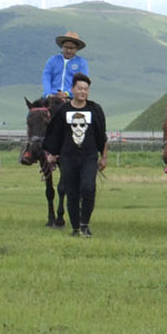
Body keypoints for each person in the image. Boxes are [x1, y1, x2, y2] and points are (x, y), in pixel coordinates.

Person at [42, 72, 108, 237]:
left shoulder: (95, 109)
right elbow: (55, 134)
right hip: (68, 157)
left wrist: (104, 157)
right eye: (79, 88)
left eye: (86, 89)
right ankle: (76, 228)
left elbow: (102, 135)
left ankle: (85, 224)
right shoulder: (64, 110)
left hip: (89, 156)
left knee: (88, 188)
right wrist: (52, 154)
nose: (83, 92)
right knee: (71, 192)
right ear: (72, 89)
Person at [41, 32, 89, 100]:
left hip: (72, 97)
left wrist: (67, 93)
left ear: (76, 49)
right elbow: (46, 77)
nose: (68, 50)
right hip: (52, 96)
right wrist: (48, 94)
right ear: (62, 46)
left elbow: (82, 81)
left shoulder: (81, 63)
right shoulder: (53, 60)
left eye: (72, 48)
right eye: (66, 47)